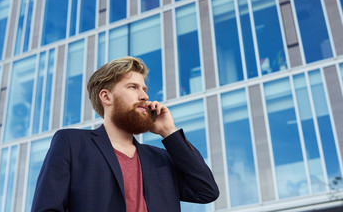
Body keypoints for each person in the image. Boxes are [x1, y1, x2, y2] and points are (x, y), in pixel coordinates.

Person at [31, 56, 219, 212]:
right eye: (133, 87)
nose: (145, 96)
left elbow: (206, 191)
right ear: (106, 97)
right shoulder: (71, 143)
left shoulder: (160, 158)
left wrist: (168, 132)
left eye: (144, 89)